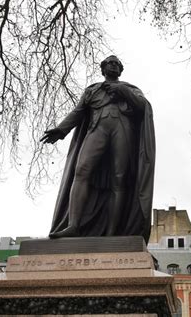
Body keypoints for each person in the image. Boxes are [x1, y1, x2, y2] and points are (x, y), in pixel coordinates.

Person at [41, 55, 155, 242]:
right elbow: (78, 112)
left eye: (117, 64)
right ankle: (73, 226)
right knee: (81, 171)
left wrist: (123, 91)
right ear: (102, 69)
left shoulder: (130, 89)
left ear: (121, 70)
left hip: (123, 130)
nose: (114, 65)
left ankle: (112, 232)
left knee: (119, 178)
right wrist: (61, 130)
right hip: (97, 129)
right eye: (110, 63)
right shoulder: (92, 90)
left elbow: (144, 107)